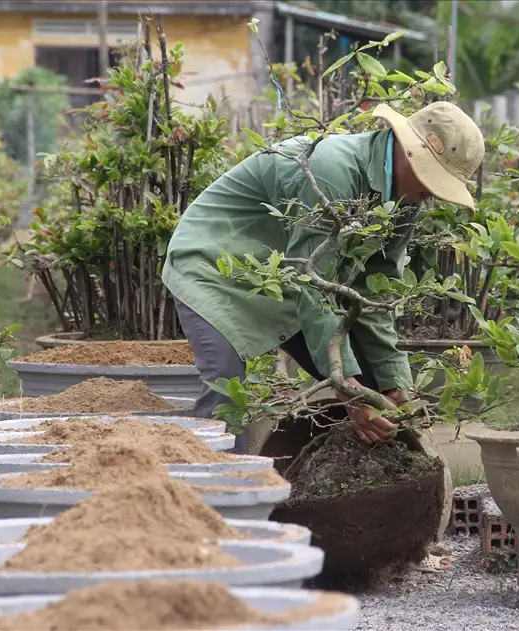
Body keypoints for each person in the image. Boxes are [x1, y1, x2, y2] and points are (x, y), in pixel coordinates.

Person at [162, 101, 485, 446]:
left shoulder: (406, 202)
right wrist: (348, 391)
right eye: (433, 177)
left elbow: (375, 289)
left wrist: (393, 383)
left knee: (372, 387)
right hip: (215, 264)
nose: (434, 193)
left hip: (287, 278)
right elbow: (311, 286)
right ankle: (212, 493)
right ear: (408, 150)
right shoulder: (334, 169)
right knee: (227, 395)